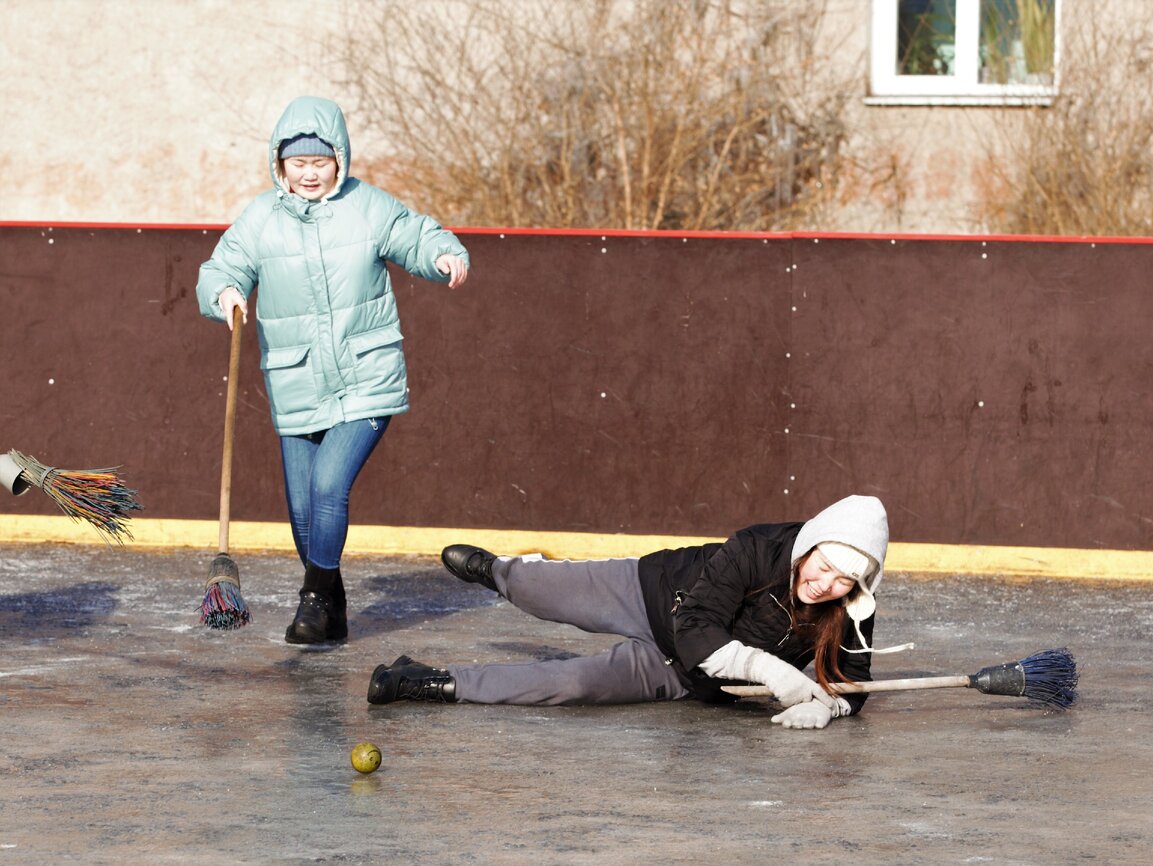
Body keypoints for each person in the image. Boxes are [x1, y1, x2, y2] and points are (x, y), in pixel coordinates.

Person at [195, 96, 470, 645]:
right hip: (297, 382)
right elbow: (221, 266)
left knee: (327, 487)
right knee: (301, 512)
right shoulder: (260, 218)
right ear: (280, 165)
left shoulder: (366, 206)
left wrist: (444, 253)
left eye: (320, 162)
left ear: (339, 159)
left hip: (366, 377)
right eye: (298, 164)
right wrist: (224, 291)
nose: (310, 173)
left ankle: (314, 599)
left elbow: (414, 233)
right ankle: (332, 605)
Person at [368, 495, 911, 730]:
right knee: (543, 590)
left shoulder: (851, 606)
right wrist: (772, 670)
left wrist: (831, 708)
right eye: (824, 565)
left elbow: (852, 683)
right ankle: (503, 574)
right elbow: (698, 627)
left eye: (845, 578)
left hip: (682, 674)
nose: (826, 583)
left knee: (569, 684)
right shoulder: (757, 547)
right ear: (809, 546)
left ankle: (430, 682)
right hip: (653, 594)